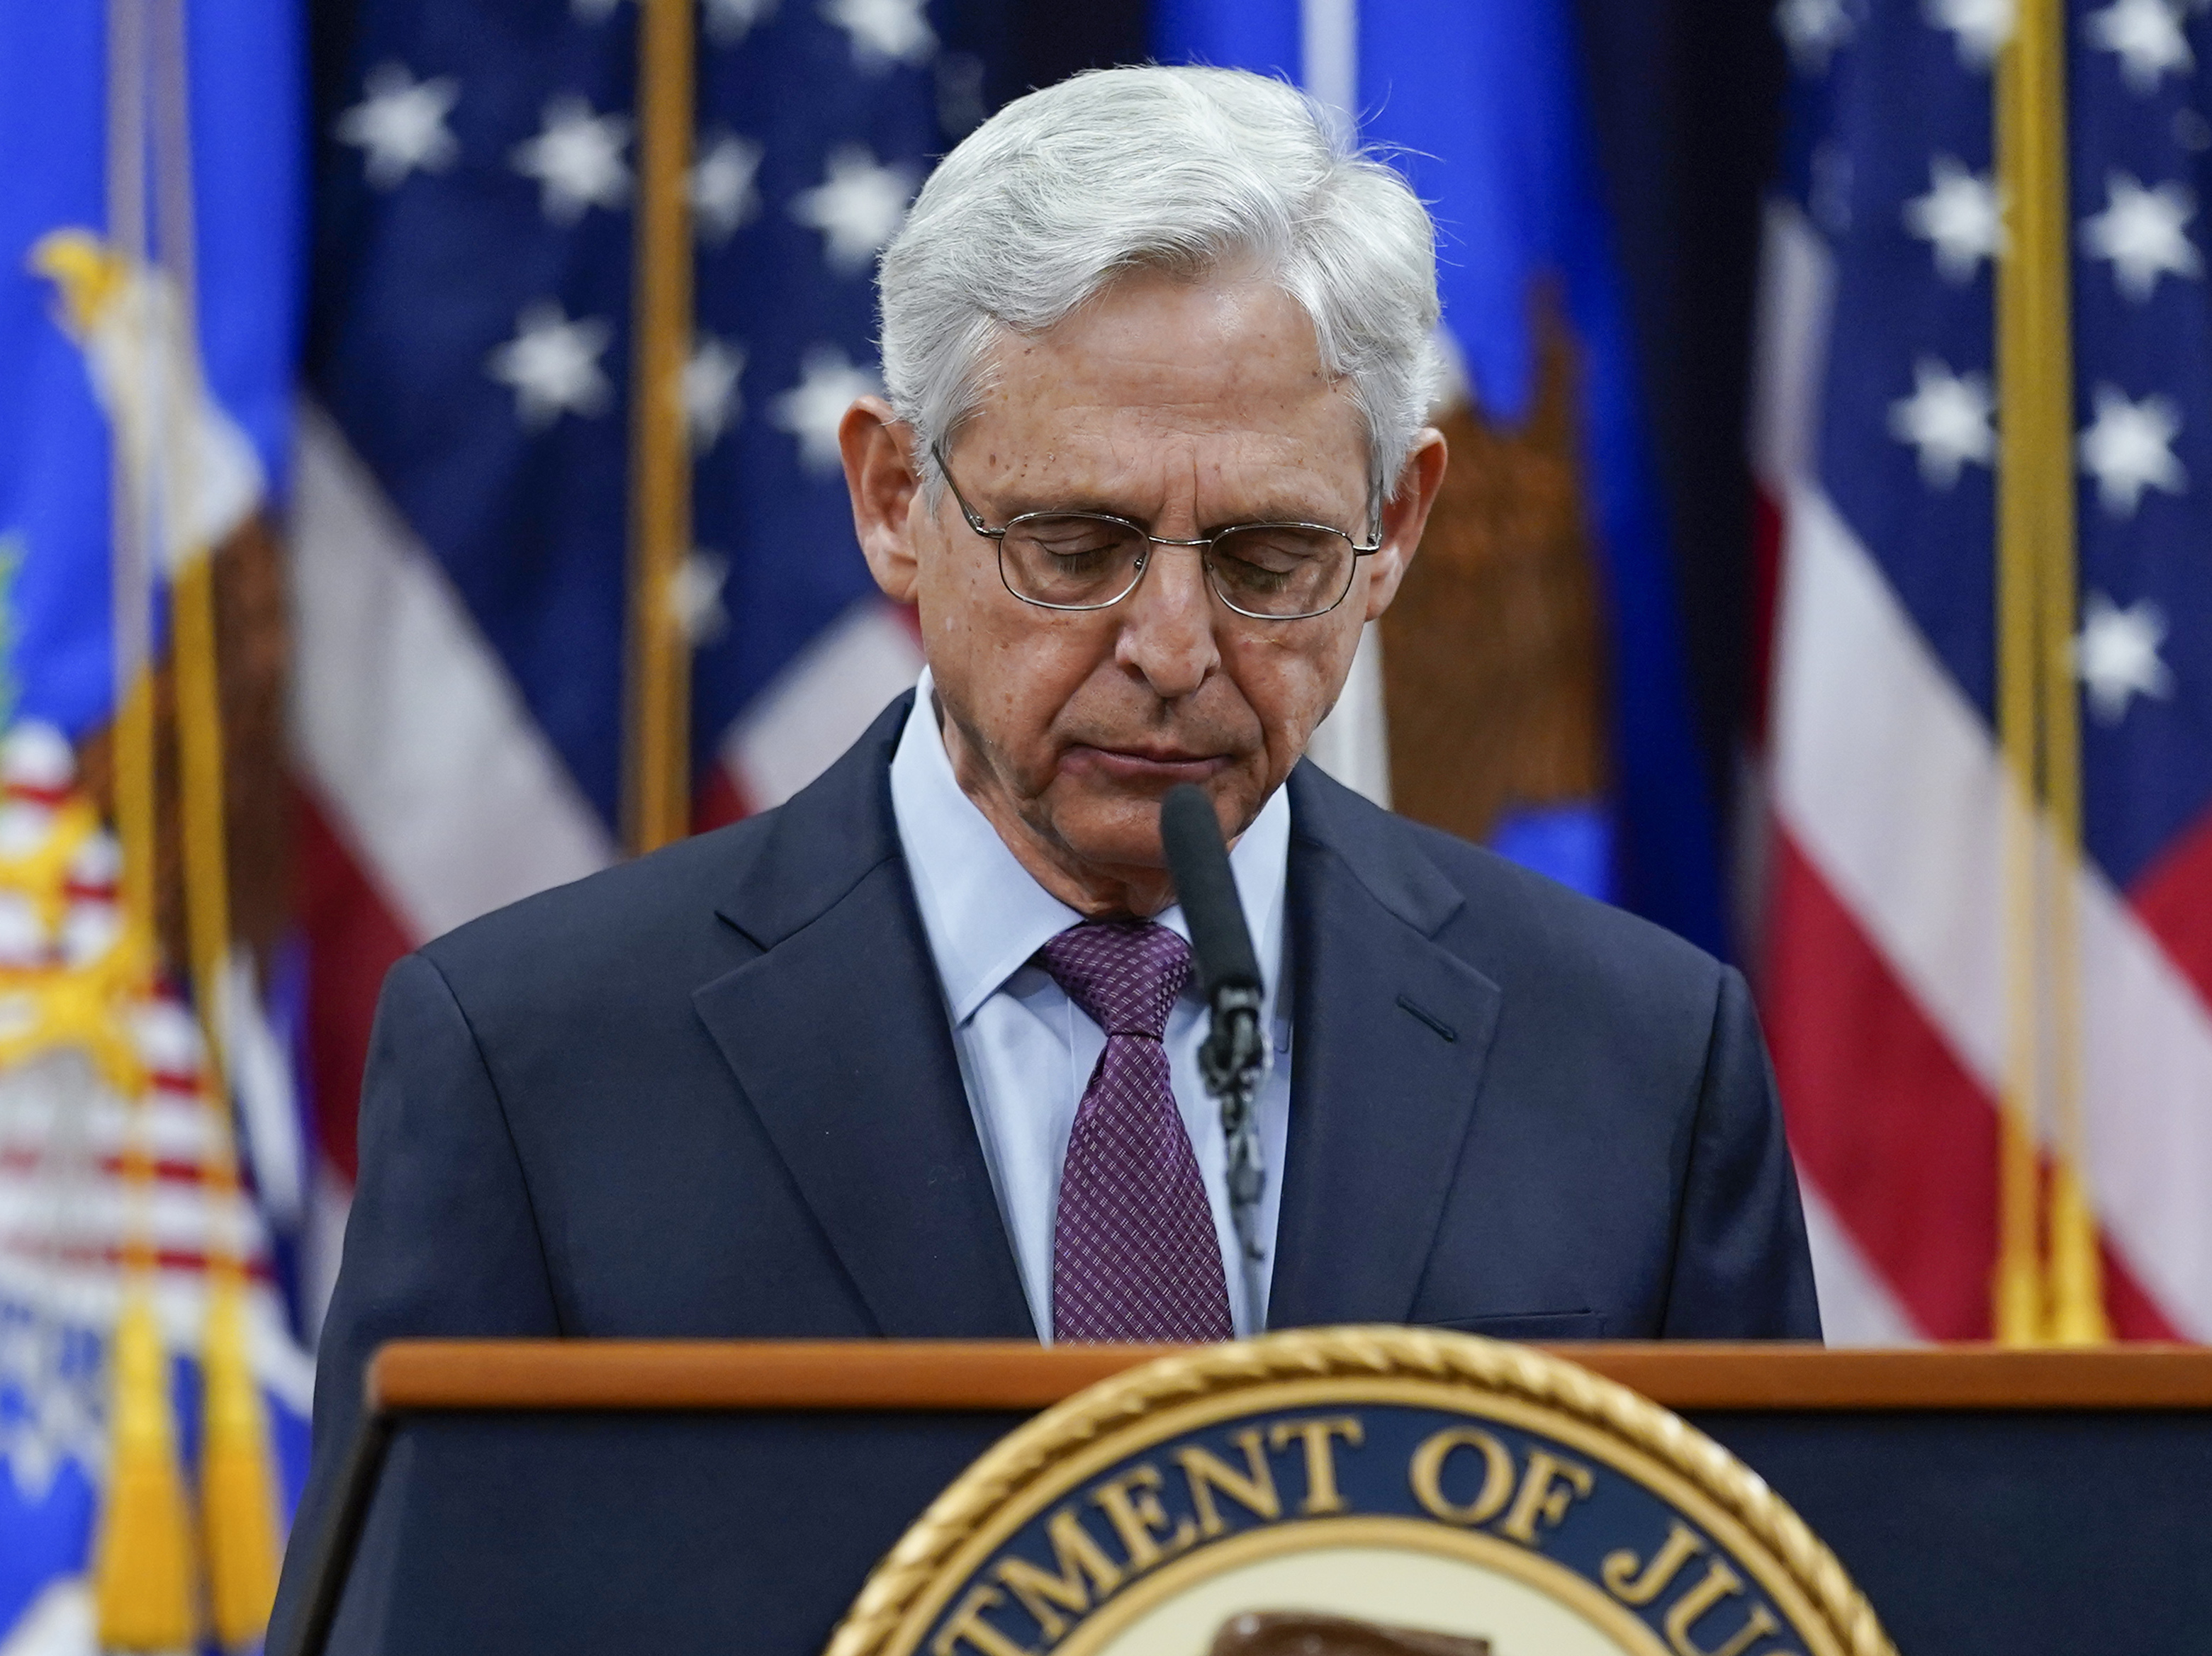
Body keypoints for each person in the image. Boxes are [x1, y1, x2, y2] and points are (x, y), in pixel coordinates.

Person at [271, 62, 1817, 1635]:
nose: (1169, 643)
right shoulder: (539, 1067)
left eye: (1267, 556)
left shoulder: (1633, 1061)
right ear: (891, 498)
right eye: (1072, 547)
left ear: (1395, 527)